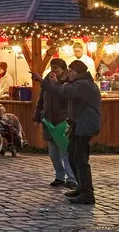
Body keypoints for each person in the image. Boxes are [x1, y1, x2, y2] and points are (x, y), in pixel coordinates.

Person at [35, 60, 101, 205]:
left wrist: (44, 81)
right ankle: (81, 187)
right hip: (77, 125)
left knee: (80, 160)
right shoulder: (78, 84)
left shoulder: (83, 84)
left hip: (84, 125)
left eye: (71, 71)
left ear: (78, 72)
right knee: (73, 156)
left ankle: (87, 193)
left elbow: (63, 93)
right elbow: (62, 91)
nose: (68, 74)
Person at [34, 58, 76, 188]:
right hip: (49, 120)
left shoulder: (68, 82)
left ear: (63, 70)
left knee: (65, 150)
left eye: (57, 69)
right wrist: (37, 117)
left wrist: (55, 84)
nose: (54, 71)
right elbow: (41, 100)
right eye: (52, 68)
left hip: (63, 120)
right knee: (53, 152)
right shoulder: (47, 81)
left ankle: (71, 178)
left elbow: (63, 95)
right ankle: (59, 176)